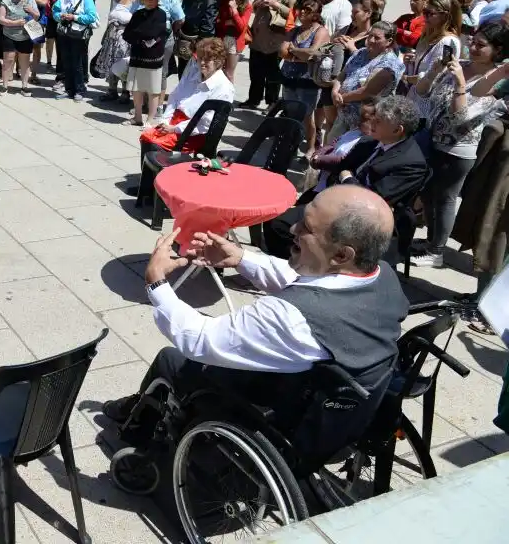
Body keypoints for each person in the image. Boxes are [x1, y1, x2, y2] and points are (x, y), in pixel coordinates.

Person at [103, 186, 407, 448]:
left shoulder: (293, 317)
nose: (293, 229)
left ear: (342, 255)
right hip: (340, 408)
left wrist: (156, 282)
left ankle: (137, 429)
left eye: (307, 228)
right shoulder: (381, 277)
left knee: (171, 361)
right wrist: (241, 259)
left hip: (279, 413)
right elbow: (312, 282)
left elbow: (199, 338)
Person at [263, 95, 428, 259]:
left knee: (296, 231)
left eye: (378, 121)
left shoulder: (411, 163)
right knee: (275, 221)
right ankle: (299, 267)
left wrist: (347, 178)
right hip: (338, 201)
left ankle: (311, 269)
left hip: (366, 220)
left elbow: (374, 200)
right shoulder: (369, 141)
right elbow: (342, 168)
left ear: (397, 130)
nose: (372, 123)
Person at [412, 21, 509, 268]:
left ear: (498, 50)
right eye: (472, 42)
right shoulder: (459, 67)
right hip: (433, 140)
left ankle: (437, 252)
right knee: (428, 195)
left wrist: (460, 84)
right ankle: (431, 242)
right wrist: (435, 70)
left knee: (445, 199)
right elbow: (421, 92)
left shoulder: (495, 80)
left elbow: (461, 117)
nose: (473, 48)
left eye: (481, 45)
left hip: (458, 149)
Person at [137, 36, 234, 157]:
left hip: (194, 133)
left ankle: (158, 173)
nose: (202, 63)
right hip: (174, 122)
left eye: (207, 60)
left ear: (218, 61)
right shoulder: (194, 75)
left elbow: (206, 123)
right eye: (200, 59)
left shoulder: (224, 87)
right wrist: (165, 121)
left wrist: (174, 129)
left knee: (152, 142)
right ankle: (151, 173)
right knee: (147, 136)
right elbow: (174, 97)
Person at [330, 21, 406, 141]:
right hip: (344, 115)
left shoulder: (389, 63)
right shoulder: (361, 53)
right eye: (370, 35)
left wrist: (341, 98)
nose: (371, 40)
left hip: (367, 123)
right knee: (330, 146)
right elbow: (342, 75)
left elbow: (367, 92)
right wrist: (334, 92)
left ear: (389, 41)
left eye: (377, 38)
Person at [280, 0, 331, 158]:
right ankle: (291, 144)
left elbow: (313, 54)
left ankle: (310, 147)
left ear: (316, 14)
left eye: (307, 10)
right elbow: (282, 51)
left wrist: (293, 51)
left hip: (308, 80)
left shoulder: (321, 31)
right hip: (289, 77)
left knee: (307, 116)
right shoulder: (294, 31)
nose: (302, 12)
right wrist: (299, 54)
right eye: (301, 8)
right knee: (290, 112)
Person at [246, 0, 300, 108]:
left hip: (276, 36)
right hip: (259, 34)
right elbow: (254, 6)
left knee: (272, 73)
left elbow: (292, 12)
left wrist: (275, 4)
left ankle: (272, 102)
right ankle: (253, 99)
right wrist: (260, 3)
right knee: (255, 70)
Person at [404, 0, 463, 127]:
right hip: (414, 100)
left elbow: (436, 78)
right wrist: (413, 61)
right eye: (425, 12)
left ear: (446, 15)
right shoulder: (430, 35)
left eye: (430, 13)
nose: (425, 16)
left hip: (425, 108)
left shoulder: (448, 42)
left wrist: (406, 78)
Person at [123, 0, 171, 126]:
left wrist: (139, 34)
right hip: (137, 56)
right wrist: (140, 36)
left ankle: (150, 119)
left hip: (153, 58)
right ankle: (137, 117)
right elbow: (127, 34)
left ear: (157, 0)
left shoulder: (161, 14)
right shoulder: (138, 14)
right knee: (136, 89)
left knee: (153, 90)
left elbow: (154, 33)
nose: (150, 1)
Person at [52, 0, 97, 102]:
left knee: (77, 63)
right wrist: (60, 16)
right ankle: (69, 89)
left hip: (78, 35)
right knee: (66, 61)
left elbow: (91, 17)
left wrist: (74, 17)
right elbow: (55, 11)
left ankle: (80, 89)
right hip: (64, 33)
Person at [0, 0, 41, 96]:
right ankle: (4, 87)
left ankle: (24, 87)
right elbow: (1, 19)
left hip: (25, 36)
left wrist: (31, 10)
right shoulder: (6, 0)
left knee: (25, 63)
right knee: (8, 60)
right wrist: (14, 23)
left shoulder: (30, 0)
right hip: (9, 35)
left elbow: (37, 16)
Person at [98, 0, 137, 103]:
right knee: (111, 63)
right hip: (112, 34)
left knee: (123, 64)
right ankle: (112, 91)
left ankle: (125, 93)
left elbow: (136, 20)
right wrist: (105, 35)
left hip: (125, 37)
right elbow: (110, 14)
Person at [176, 0, 217, 81]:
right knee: (183, 70)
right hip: (185, 41)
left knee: (197, 72)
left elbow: (208, 26)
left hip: (199, 42)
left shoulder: (210, 2)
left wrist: (199, 44)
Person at [214, 0, 252, 81]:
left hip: (235, 42)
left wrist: (234, 10)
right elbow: (217, 22)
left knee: (229, 73)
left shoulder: (247, 6)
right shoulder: (224, 3)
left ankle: (228, 96)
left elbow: (241, 27)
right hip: (221, 38)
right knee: (218, 70)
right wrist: (227, 22)